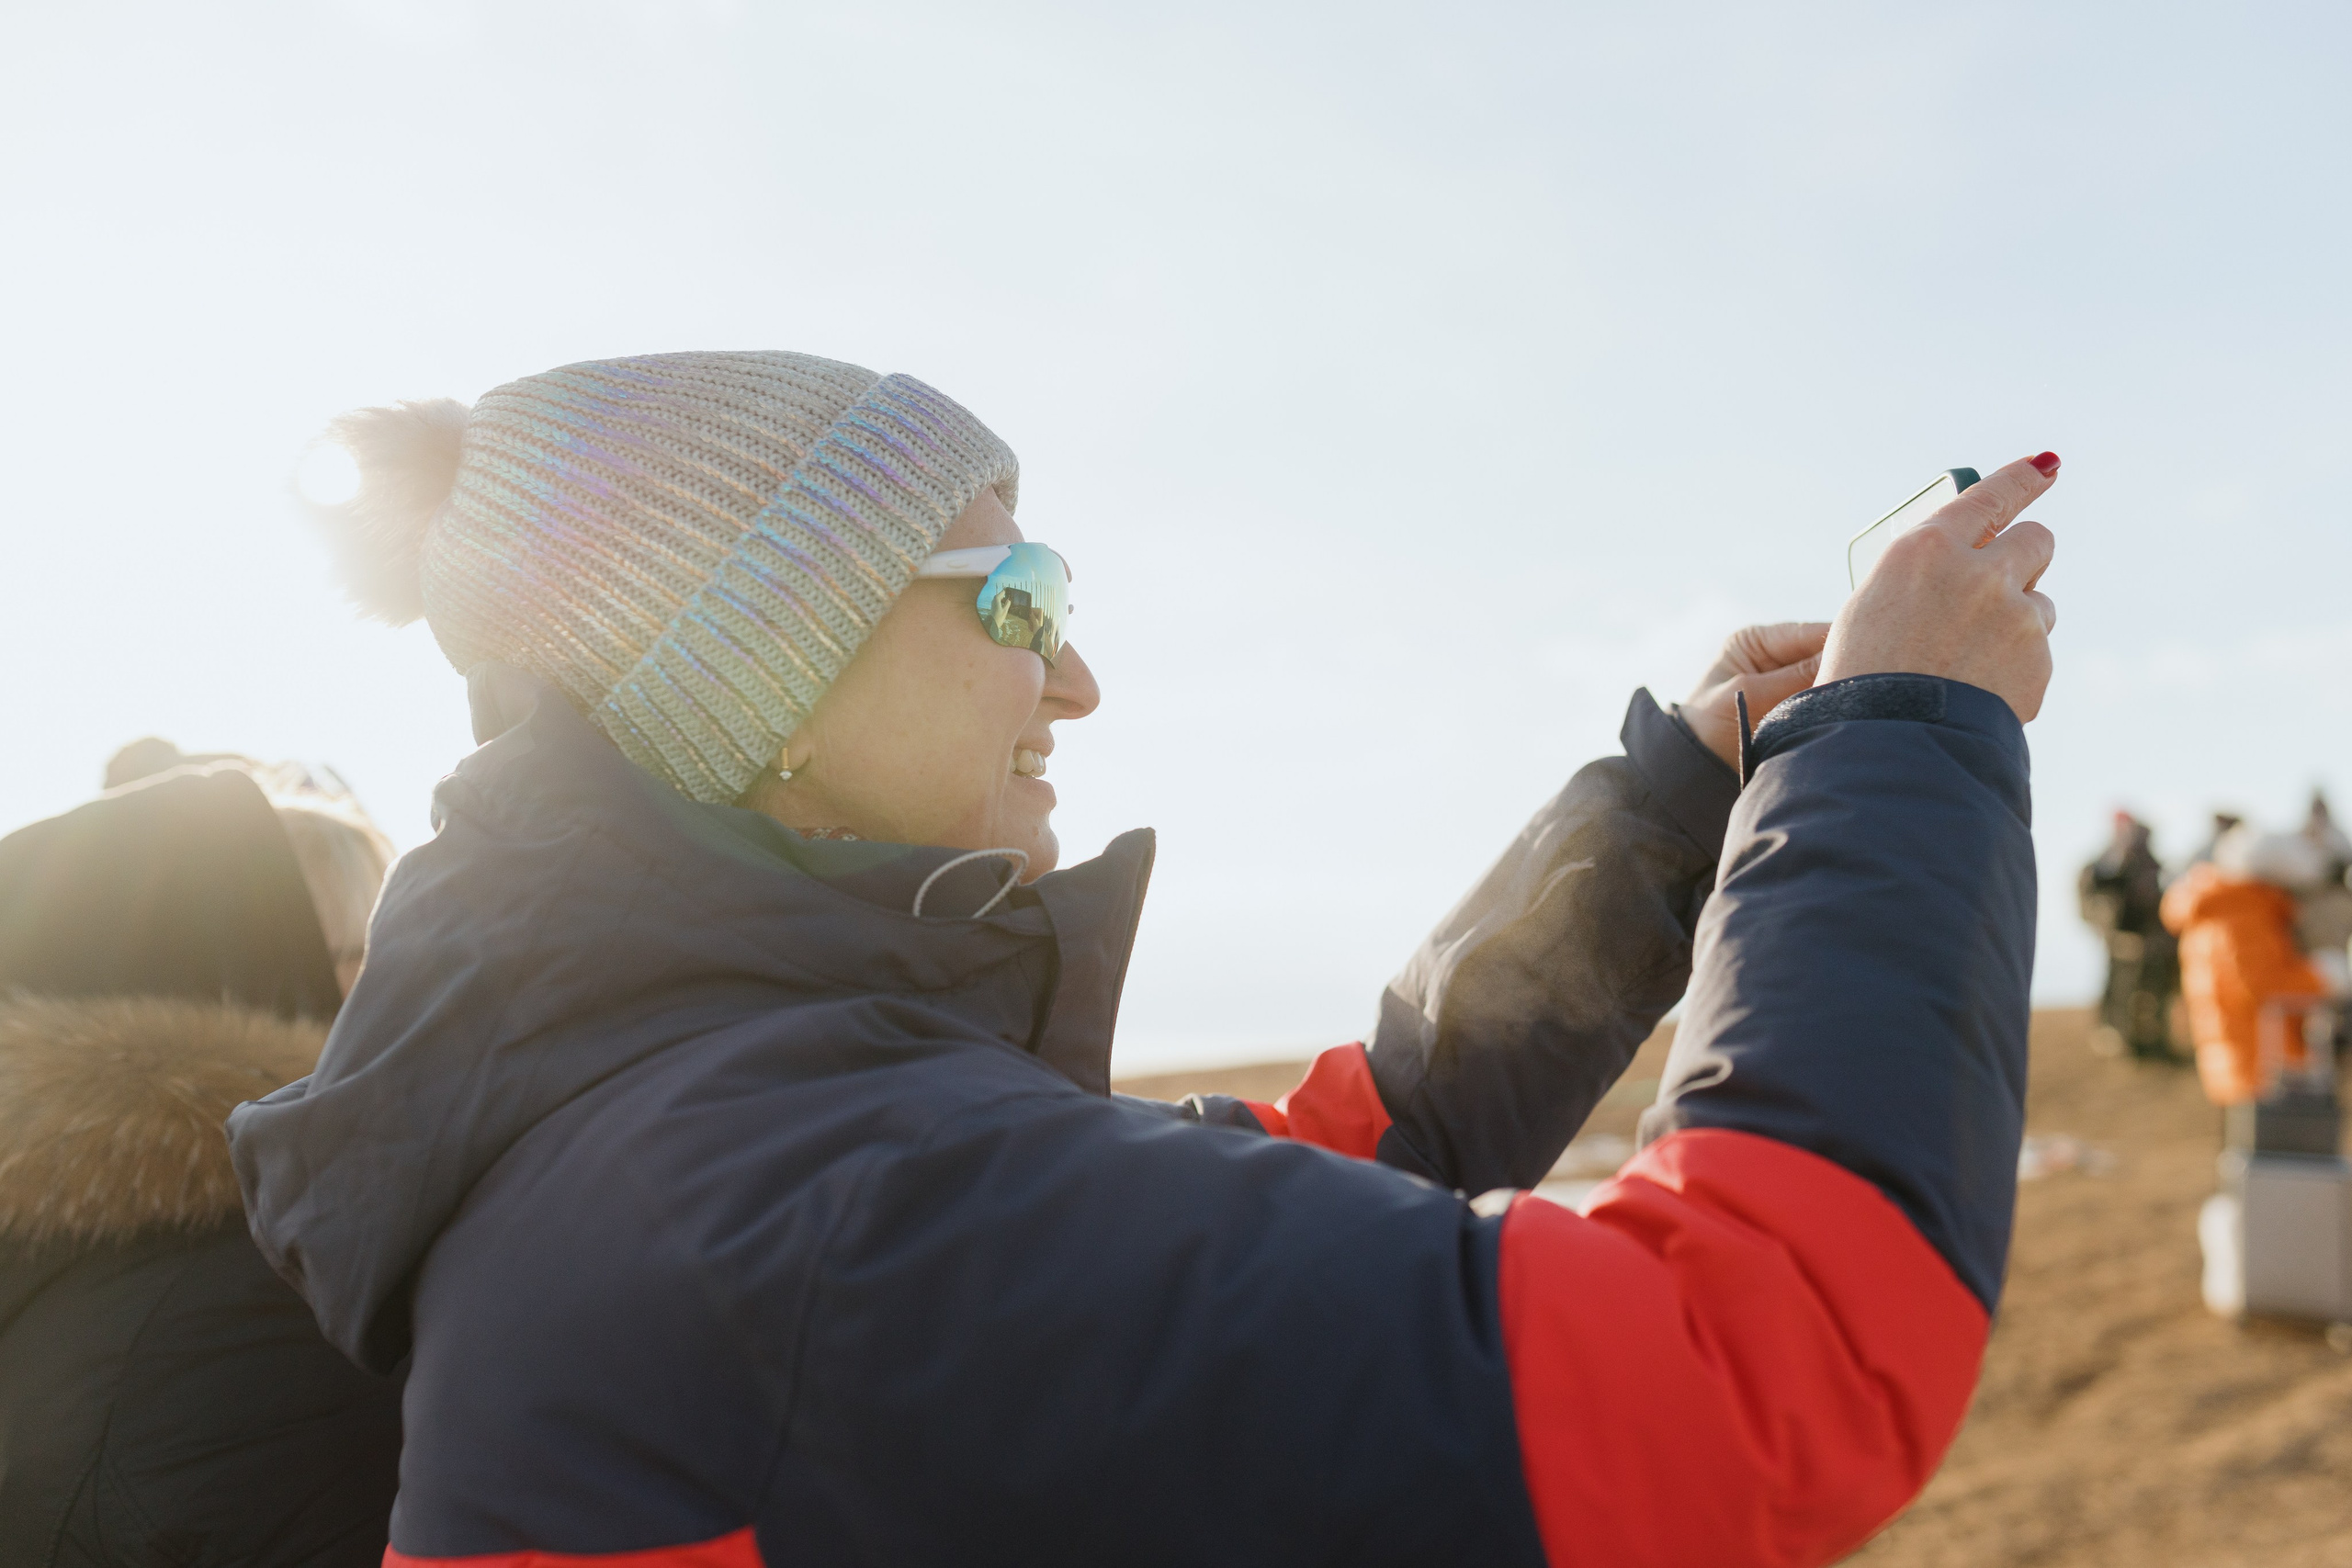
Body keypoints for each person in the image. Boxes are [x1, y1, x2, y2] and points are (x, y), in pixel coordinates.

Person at [232, 353, 2058, 1568]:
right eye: (1014, 598)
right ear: (761, 680)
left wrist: (1670, 816)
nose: (1074, 675)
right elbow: (1764, 1362)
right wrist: (1900, 735)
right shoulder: (804, 1201)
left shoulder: (698, 1114)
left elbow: (1357, 1149)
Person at [0, 760, 403, 1565]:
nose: (405, 989)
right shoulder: (263, 1304)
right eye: (369, 954)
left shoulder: (67, 1265)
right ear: (273, 970)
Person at [2163, 824, 2330, 1105]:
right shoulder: (2244, 913)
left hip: (2240, 1061)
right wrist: (2325, 976)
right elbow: (2266, 985)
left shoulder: (2220, 907)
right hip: (2264, 1065)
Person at [2078, 810, 2180, 1059]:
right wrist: (2113, 932)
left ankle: (2155, 1040)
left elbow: (2166, 901)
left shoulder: (2154, 867)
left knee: (2154, 991)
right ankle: (2119, 1038)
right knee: (2120, 990)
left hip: (2154, 944)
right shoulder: (2105, 866)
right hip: (2122, 942)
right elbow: (2094, 901)